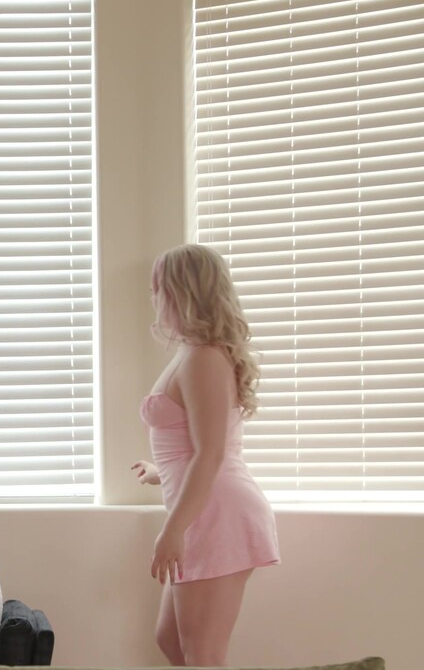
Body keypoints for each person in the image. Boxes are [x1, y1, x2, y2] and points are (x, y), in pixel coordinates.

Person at [131, 244, 280, 667]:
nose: (153, 295)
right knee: (172, 641)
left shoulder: (203, 359)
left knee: (203, 655)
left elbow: (212, 454)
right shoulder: (193, 352)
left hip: (216, 516)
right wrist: (162, 472)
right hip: (204, 509)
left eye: (159, 287)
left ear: (183, 292)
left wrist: (173, 529)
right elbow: (194, 445)